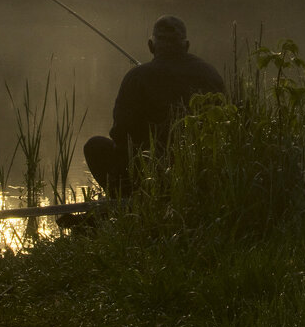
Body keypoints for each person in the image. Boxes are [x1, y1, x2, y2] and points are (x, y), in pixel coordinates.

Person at [83, 15, 226, 196]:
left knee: (95, 146)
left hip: (147, 173)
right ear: (186, 45)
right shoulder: (210, 73)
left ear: (151, 46)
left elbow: (121, 134)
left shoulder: (136, 77)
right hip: (200, 170)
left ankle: (123, 199)